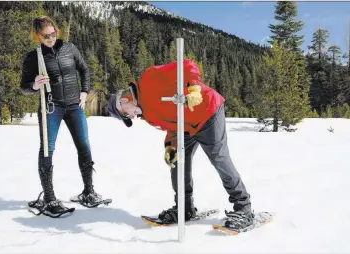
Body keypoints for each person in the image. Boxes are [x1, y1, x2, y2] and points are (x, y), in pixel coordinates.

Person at [107, 59, 254, 230]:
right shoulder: (147, 114)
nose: (131, 117)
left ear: (124, 101)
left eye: (126, 115)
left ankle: (244, 208)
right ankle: (184, 208)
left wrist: (193, 88)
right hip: (186, 126)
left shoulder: (149, 79)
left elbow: (187, 65)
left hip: (207, 112)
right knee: (177, 161)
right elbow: (172, 125)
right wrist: (170, 145)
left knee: (219, 158)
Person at [20, 16, 104, 218]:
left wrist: (84, 92)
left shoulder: (70, 48)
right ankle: (49, 198)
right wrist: (34, 85)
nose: (51, 38)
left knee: (84, 145)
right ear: (37, 36)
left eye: (53, 33)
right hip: (51, 107)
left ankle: (88, 191)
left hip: (75, 106)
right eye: (46, 36)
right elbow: (24, 87)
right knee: (47, 149)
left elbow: (84, 70)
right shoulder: (34, 57)